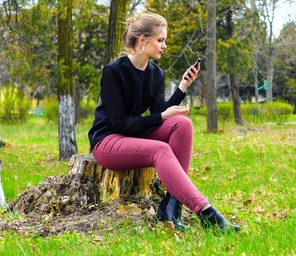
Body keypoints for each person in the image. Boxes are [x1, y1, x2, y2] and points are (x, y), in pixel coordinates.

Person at [88, 12, 239, 232]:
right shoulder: (114, 72)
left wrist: (182, 88)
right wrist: (161, 117)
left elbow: (159, 111)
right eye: (160, 40)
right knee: (160, 149)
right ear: (143, 40)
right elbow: (120, 123)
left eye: (164, 40)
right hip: (108, 140)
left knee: (183, 124)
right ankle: (208, 214)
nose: (164, 45)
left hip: (135, 135)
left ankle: (170, 206)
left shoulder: (156, 73)